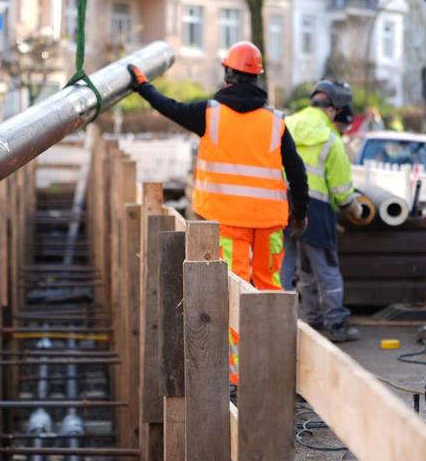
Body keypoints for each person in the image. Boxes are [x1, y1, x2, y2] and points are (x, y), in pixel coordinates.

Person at [127, 41, 309, 382]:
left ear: (228, 74)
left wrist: (142, 86)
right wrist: (300, 212)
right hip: (269, 222)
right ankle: (272, 369)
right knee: (269, 288)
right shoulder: (275, 122)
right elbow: (296, 172)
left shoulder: (209, 115)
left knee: (235, 291)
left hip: (227, 222)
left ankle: (241, 375)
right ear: (257, 79)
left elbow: (169, 107)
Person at [280, 80, 360, 342]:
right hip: (316, 209)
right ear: (334, 110)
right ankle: (336, 324)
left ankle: (289, 320)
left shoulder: (287, 125)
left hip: (281, 203)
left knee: (286, 264)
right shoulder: (330, 139)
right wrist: (353, 207)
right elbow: (341, 189)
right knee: (325, 268)